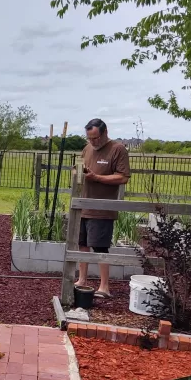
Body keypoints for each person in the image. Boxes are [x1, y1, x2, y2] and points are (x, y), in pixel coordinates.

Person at [74, 118, 130, 298]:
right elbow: (82, 169)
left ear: (105, 133)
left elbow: (122, 177)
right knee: (82, 245)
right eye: (89, 138)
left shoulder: (117, 149)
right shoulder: (87, 148)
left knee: (99, 247)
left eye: (96, 138)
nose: (93, 142)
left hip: (102, 208)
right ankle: (82, 280)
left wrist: (96, 177)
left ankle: (104, 287)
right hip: (83, 205)